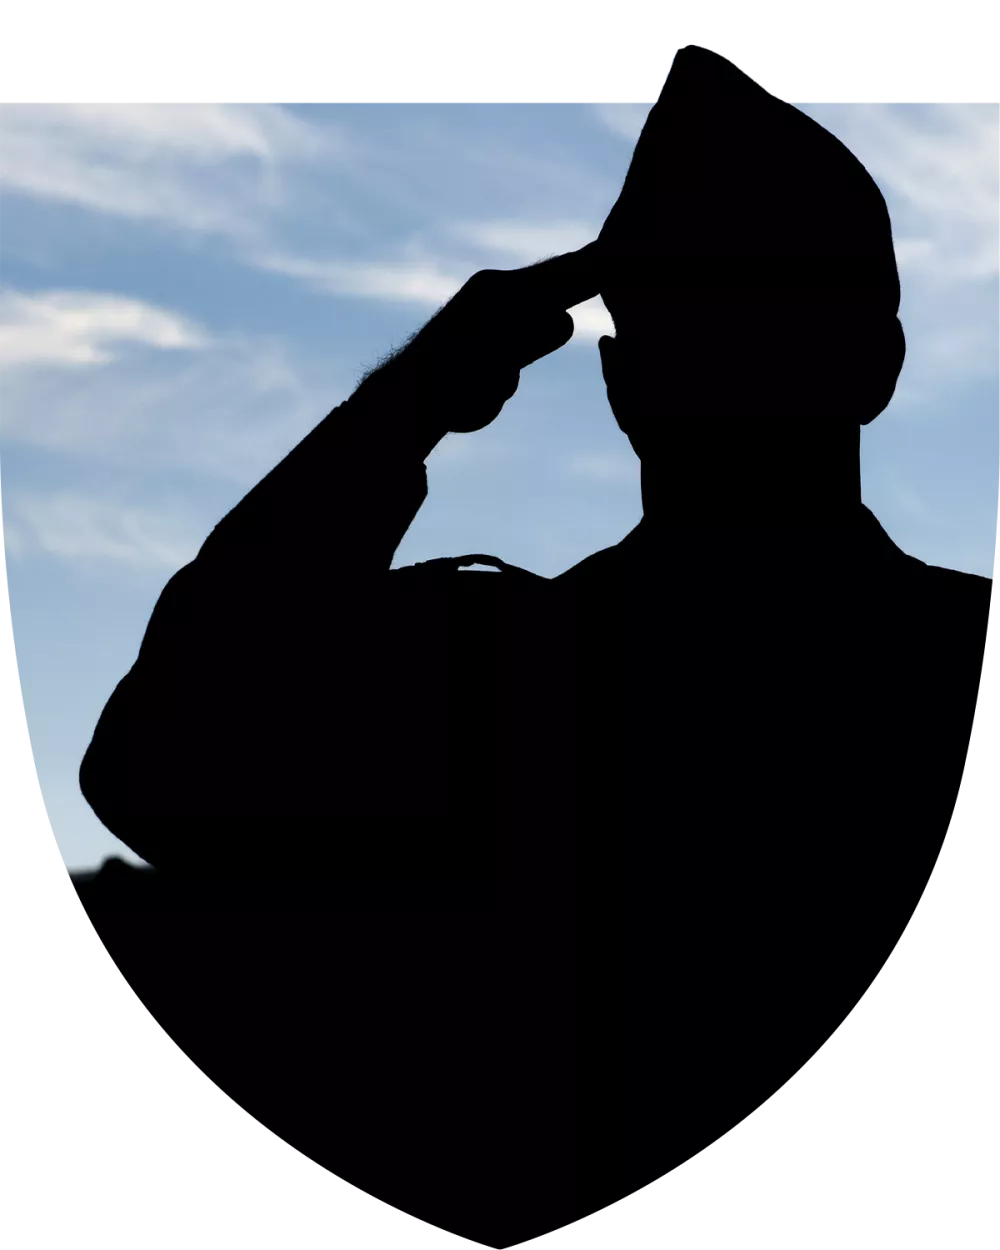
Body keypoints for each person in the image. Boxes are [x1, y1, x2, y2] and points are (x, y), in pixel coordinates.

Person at [71, 44, 991, 1244]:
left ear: (618, 387)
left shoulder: (496, 677)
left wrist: (413, 398)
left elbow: (160, 757)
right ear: (876, 369)